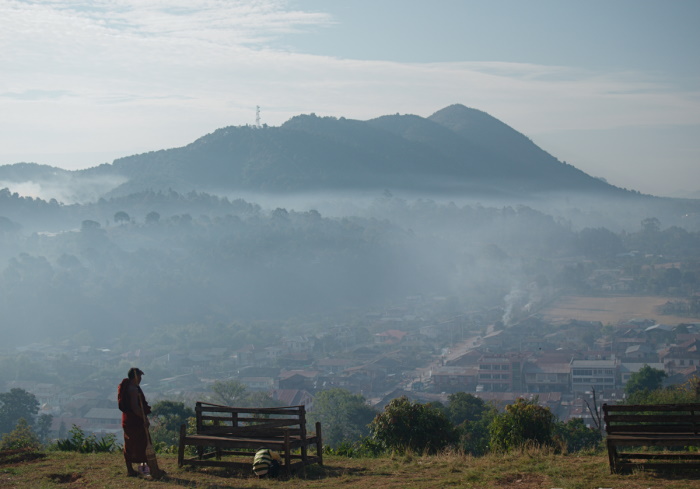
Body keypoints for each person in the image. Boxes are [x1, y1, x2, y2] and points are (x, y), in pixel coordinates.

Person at [118, 367, 155, 477]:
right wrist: (145, 418)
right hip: (135, 421)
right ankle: (144, 471)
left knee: (130, 444)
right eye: (139, 377)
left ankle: (131, 470)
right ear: (136, 377)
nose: (140, 379)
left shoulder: (128, 387)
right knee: (141, 444)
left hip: (127, 419)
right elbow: (135, 408)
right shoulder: (133, 389)